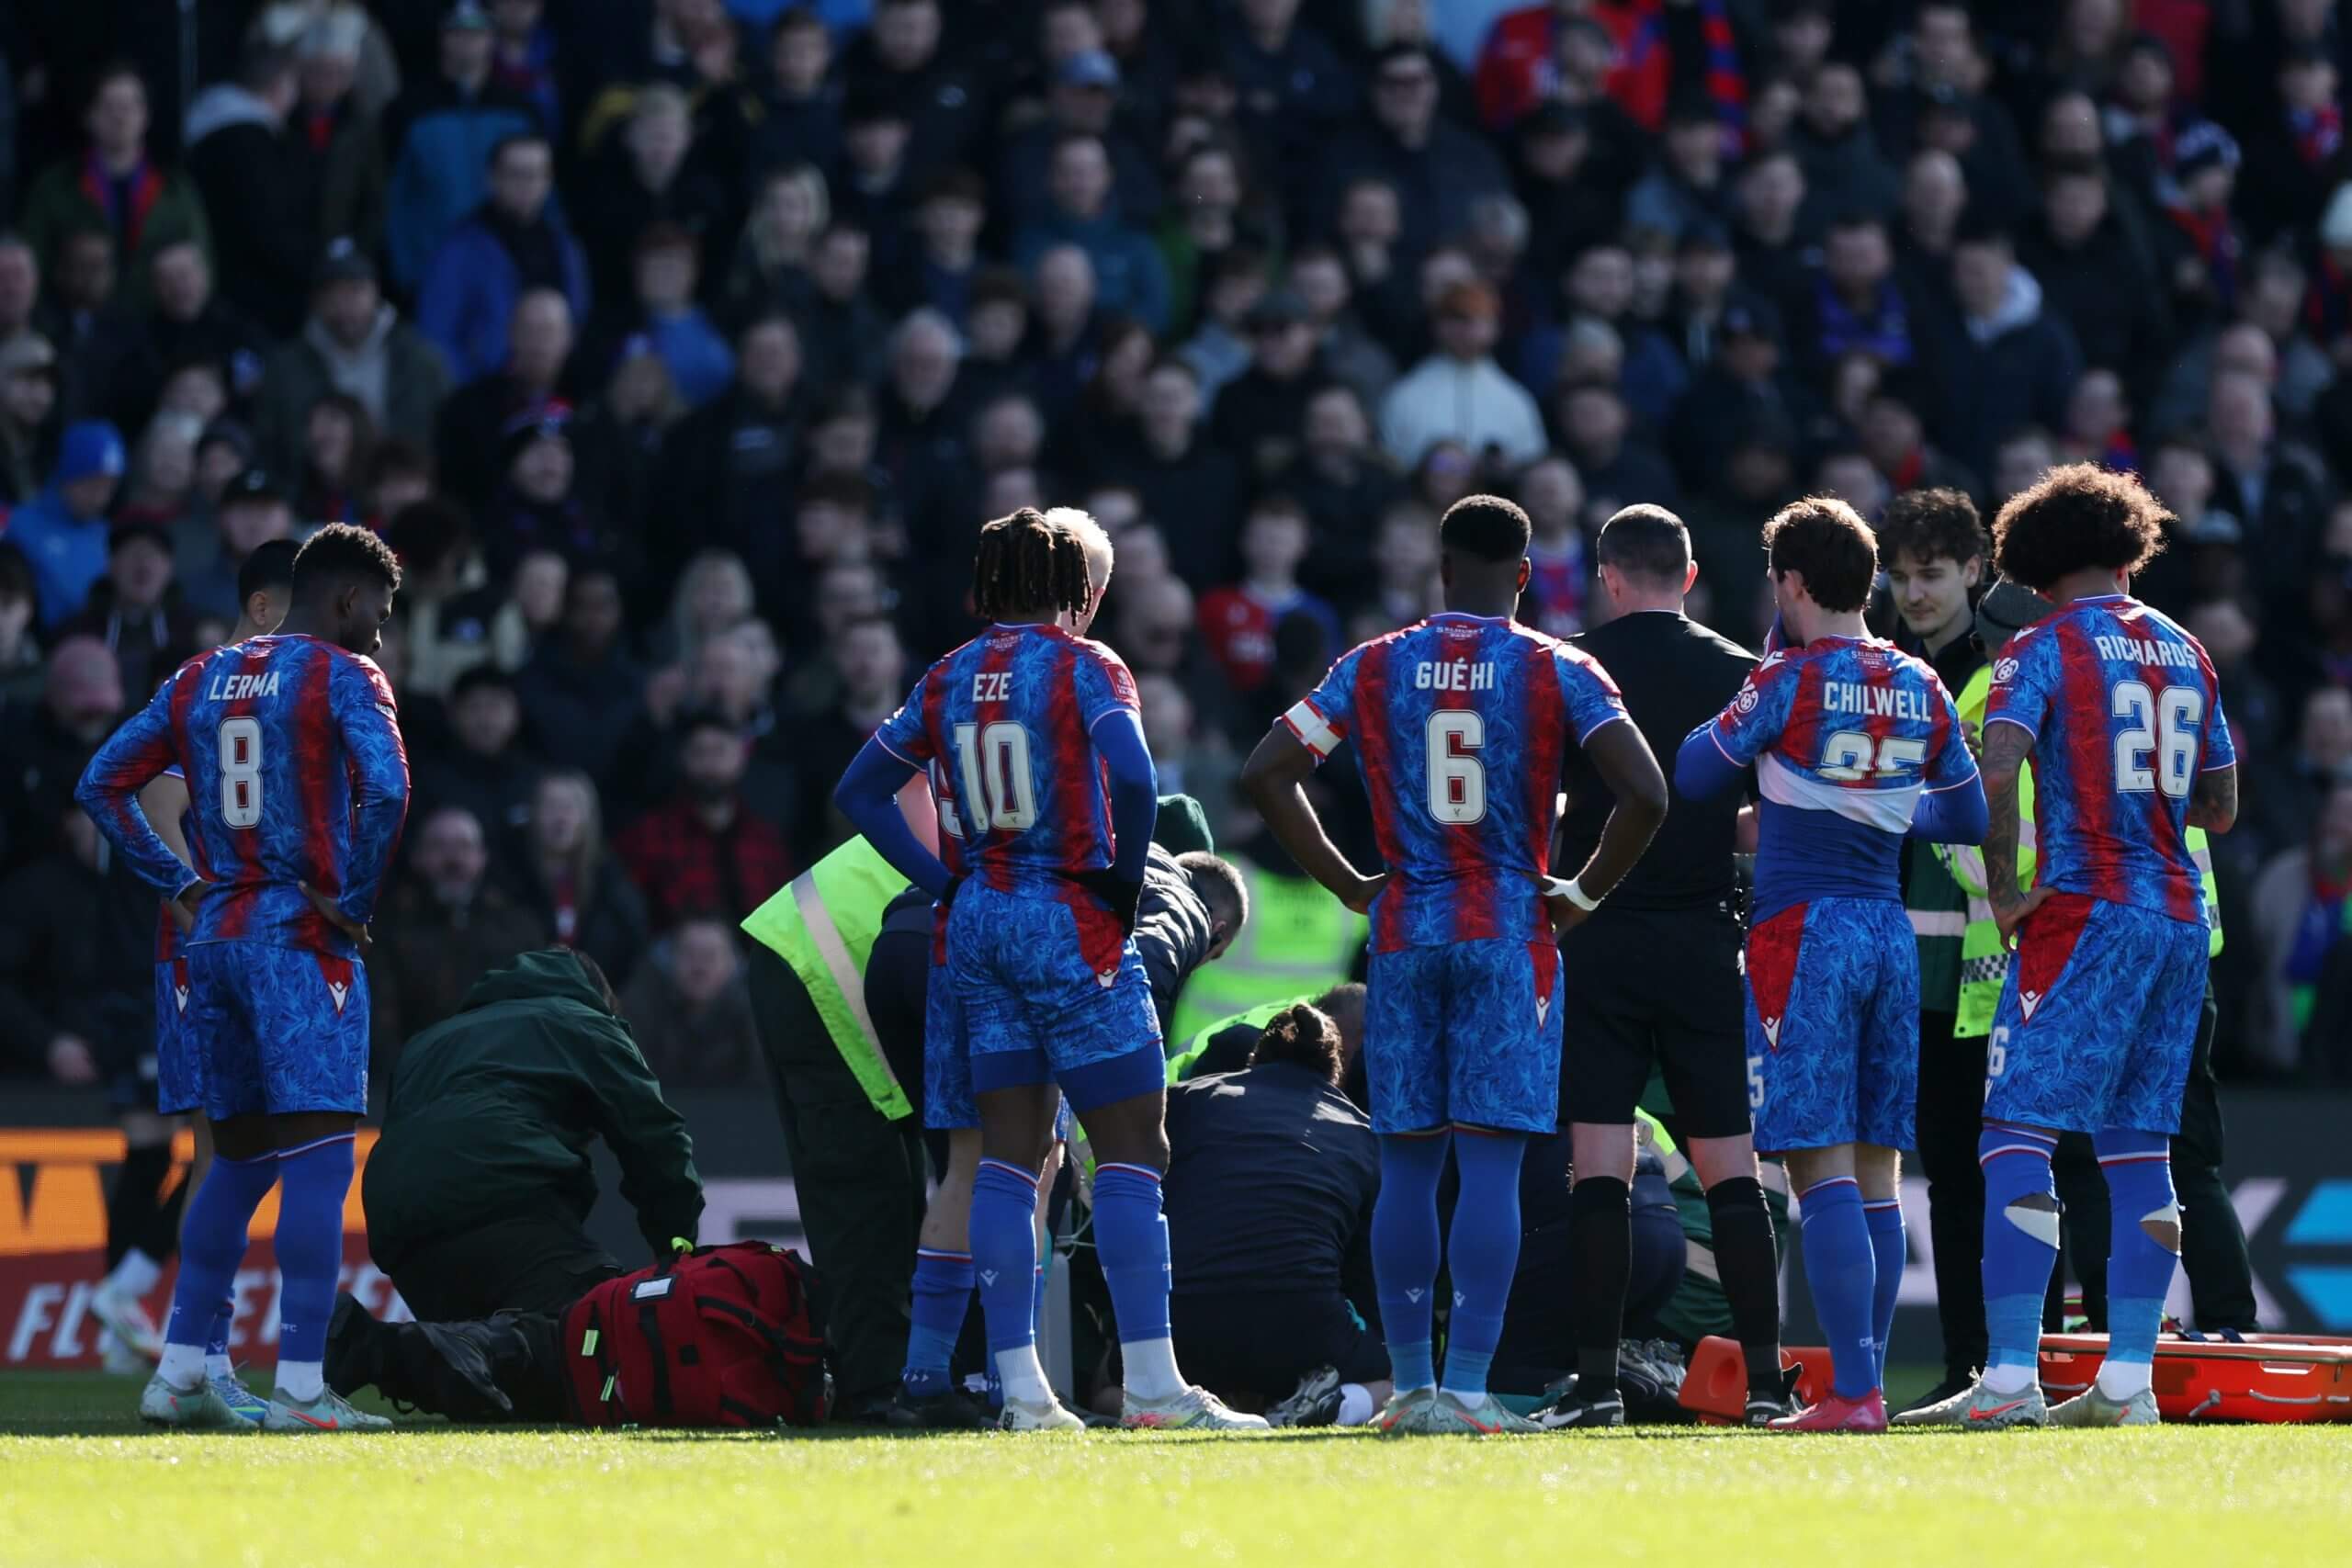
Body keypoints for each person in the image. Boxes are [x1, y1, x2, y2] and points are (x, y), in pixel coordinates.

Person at [1239, 492, 1668, 1436]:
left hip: (1403, 929)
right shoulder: (1559, 668)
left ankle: (1409, 1389)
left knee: (1404, 1167)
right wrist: (1581, 894)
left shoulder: (1374, 664)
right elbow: (1644, 790)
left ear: (1440, 572)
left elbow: (1266, 771)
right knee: (1487, 1172)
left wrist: (1350, 882)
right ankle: (1469, 1392)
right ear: (1523, 575)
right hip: (1511, 931)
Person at [834, 505, 1265, 1432]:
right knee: (1133, 1151)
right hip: (1067, 915)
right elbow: (1139, 779)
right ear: (1073, 589)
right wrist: (1117, 885)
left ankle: (1022, 1391)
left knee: (1005, 1161)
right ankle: (1153, 1387)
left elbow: (859, 790)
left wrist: (944, 879)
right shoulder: (1086, 666)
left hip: (979, 918)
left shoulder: (947, 675)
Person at [1909, 465, 2239, 1430]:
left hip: (2081, 913)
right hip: (2178, 919)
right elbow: (2219, 806)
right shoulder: (2189, 650)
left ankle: (2010, 1379)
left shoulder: (2037, 648)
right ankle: (2127, 1382)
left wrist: (2009, 895)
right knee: (2141, 1148)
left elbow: (1998, 767)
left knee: (2013, 1131)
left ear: (2031, 562)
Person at [77, 523, 409, 1433]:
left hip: (211, 938)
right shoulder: (345, 676)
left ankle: (181, 1366)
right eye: (378, 612)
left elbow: (101, 784)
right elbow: (385, 789)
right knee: (316, 1159)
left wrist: (179, 882)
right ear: (345, 599)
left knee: (235, 1159)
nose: (382, 632)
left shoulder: (197, 677)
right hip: (302, 937)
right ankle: (302, 1385)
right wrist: (351, 899)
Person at [1673, 495, 1986, 1433]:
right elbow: (1966, 817)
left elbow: (1694, 774)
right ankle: (1869, 1386)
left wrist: (1771, 661)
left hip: (1800, 934)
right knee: (1881, 1172)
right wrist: (1883, 811)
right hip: (1889, 936)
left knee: (1820, 1171)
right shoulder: (1918, 682)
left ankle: (1851, 1396)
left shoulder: (1787, 680)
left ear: (1791, 583)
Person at [1533, 504, 1787, 1430]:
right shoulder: (1740, 673)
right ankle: (1765, 1384)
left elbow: (1538, 804)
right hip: (1701, 941)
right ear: (1687, 577)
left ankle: (1594, 1384)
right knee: (1730, 1167)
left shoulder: (1568, 667)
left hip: (1596, 936)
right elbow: (1770, 814)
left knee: (1597, 1165)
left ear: (1606, 575)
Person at [362, 948, 702, 1321]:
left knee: (470, 1360)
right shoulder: (584, 1021)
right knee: (601, 1327)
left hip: (397, 1224)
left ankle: (386, 1352)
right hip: (498, 1193)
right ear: (601, 1000)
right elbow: (655, 1136)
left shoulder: (427, 1043)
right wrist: (676, 1248)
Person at [1872, 488, 1995, 1412]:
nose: (1913, 592)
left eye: (1930, 575)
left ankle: (1993, 1366)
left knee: (1976, 1174)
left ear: (1973, 572)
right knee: (1927, 1173)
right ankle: (1961, 1369)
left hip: (1985, 970)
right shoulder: (1868, 668)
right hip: (1893, 963)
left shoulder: (2002, 669)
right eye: (1900, 575)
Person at [1160, 1002, 1388, 1427]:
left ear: (1254, 1060)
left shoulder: (1187, 1102)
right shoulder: (1363, 1134)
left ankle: (1211, 1408)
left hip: (1187, 1319)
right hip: (1303, 1322)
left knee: (1112, 1386)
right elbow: (1365, 1273)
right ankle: (1335, 1405)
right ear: (1333, 1073)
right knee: (1397, 1381)